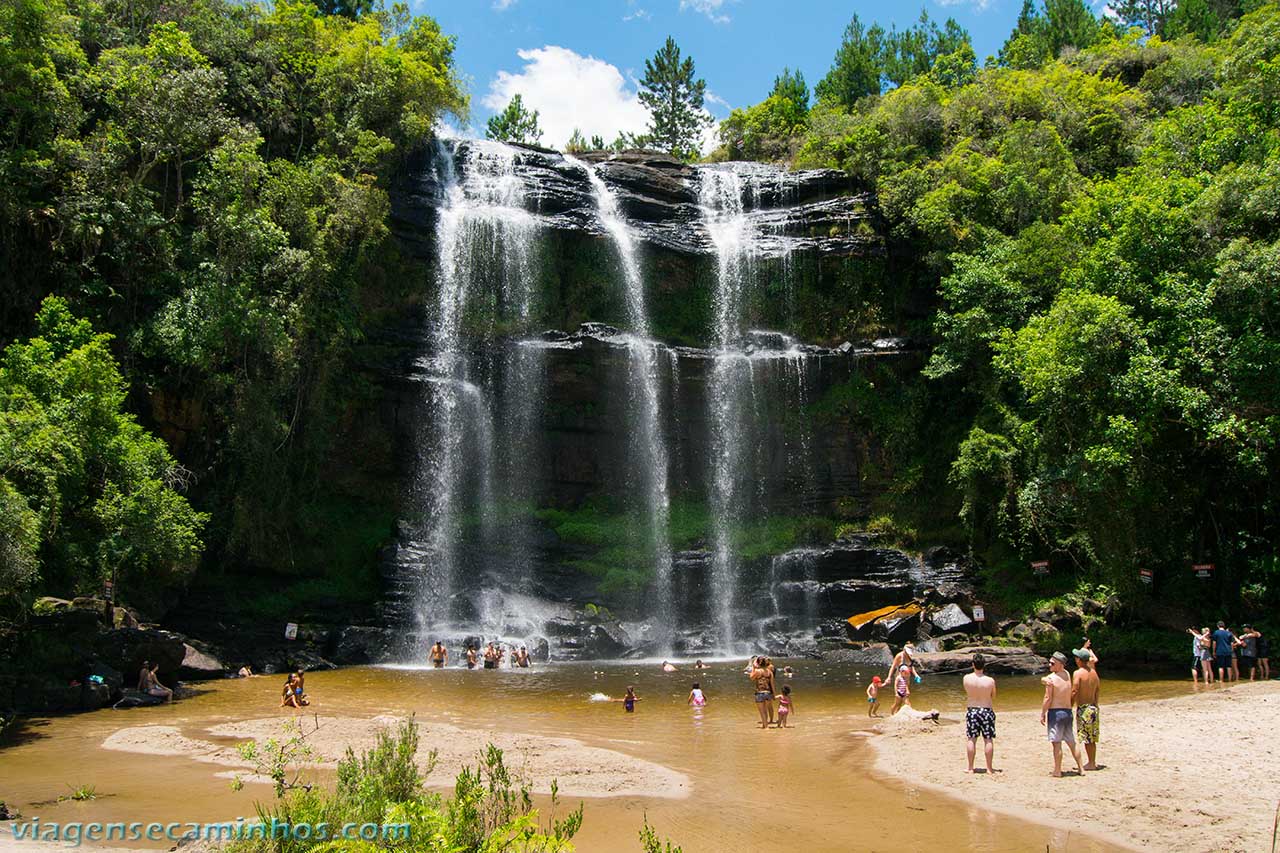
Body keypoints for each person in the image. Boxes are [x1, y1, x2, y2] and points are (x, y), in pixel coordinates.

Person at [1040, 652, 1083, 777]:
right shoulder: (1067, 674)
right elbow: (1049, 679)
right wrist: (1043, 679)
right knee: (1071, 742)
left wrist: (1043, 713)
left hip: (1056, 713)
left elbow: (1047, 698)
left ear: (1060, 664)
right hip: (1067, 712)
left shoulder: (1051, 679)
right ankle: (1081, 768)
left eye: (1052, 663)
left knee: (1056, 743)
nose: (1050, 665)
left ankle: (1057, 770)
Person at [963, 653, 997, 774]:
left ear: (973, 664)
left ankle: (970, 767)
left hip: (972, 710)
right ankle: (989, 768)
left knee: (971, 739)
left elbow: (967, 691)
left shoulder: (966, 678)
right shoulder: (990, 681)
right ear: (984, 665)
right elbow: (993, 695)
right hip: (986, 710)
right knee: (988, 739)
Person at [1071, 648, 1100, 770]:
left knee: (1087, 738)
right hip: (1093, 707)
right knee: (1092, 738)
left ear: (1079, 660)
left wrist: (1070, 704)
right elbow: (1098, 688)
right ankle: (1092, 761)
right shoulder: (1093, 672)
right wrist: (1096, 703)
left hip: (1084, 708)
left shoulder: (1078, 673)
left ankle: (1091, 763)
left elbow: (1074, 689)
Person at [749, 657, 775, 729]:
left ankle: (766, 726)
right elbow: (772, 684)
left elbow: (751, 677)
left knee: (762, 711)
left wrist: (753, 667)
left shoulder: (757, 671)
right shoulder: (770, 672)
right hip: (768, 692)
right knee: (765, 709)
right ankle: (764, 725)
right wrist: (774, 694)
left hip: (759, 692)